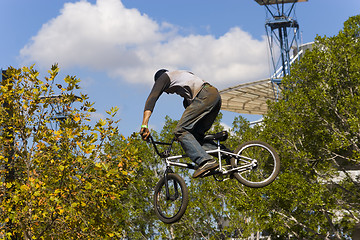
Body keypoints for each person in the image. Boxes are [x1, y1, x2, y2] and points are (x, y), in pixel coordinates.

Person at [140, 69, 222, 178]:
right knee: (195, 138)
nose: (168, 93)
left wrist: (144, 124)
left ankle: (205, 161)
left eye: (165, 90)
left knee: (179, 130)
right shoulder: (184, 79)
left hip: (205, 96)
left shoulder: (165, 77)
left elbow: (152, 99)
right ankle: (228, 155)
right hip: (214, 96)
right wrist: (184, 137)